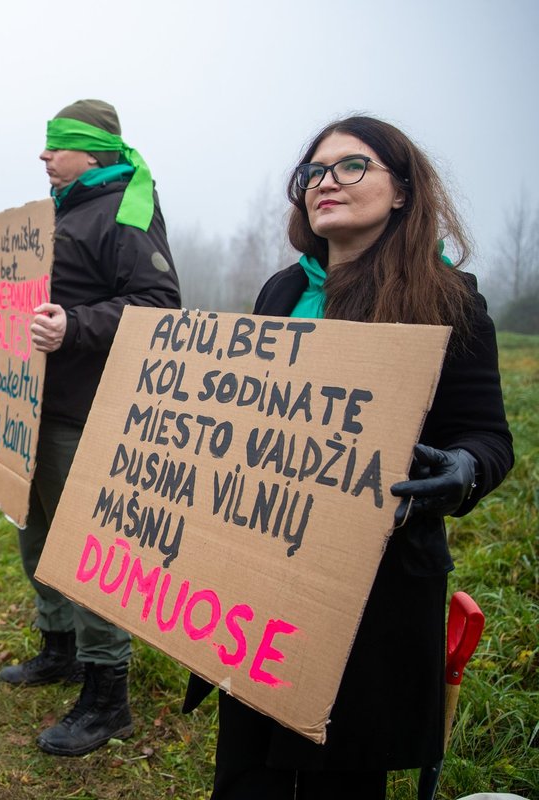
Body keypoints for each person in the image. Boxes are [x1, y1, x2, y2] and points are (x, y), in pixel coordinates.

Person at [180, 116, 514, 799]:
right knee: (248, 756)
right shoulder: (279, 291)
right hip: (265, 560)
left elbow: (488, 435)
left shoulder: (448, 297)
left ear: (401, 191)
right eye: (313, 171)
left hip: (373, 579)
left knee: (342, 764)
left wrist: (463, 471)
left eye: (352, 166)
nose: (325, 181)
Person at [0, 99, 181, 756]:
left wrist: (74, 329)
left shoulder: (124, 214)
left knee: (90, 555)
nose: (43, 155)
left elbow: (159, 306)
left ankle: (107, 696)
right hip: (30, 409)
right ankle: (58, 649)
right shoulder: (55, 216)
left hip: (85, 414)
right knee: (36, 539)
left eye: (55, 145)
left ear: (93, 151)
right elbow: (41, 300)